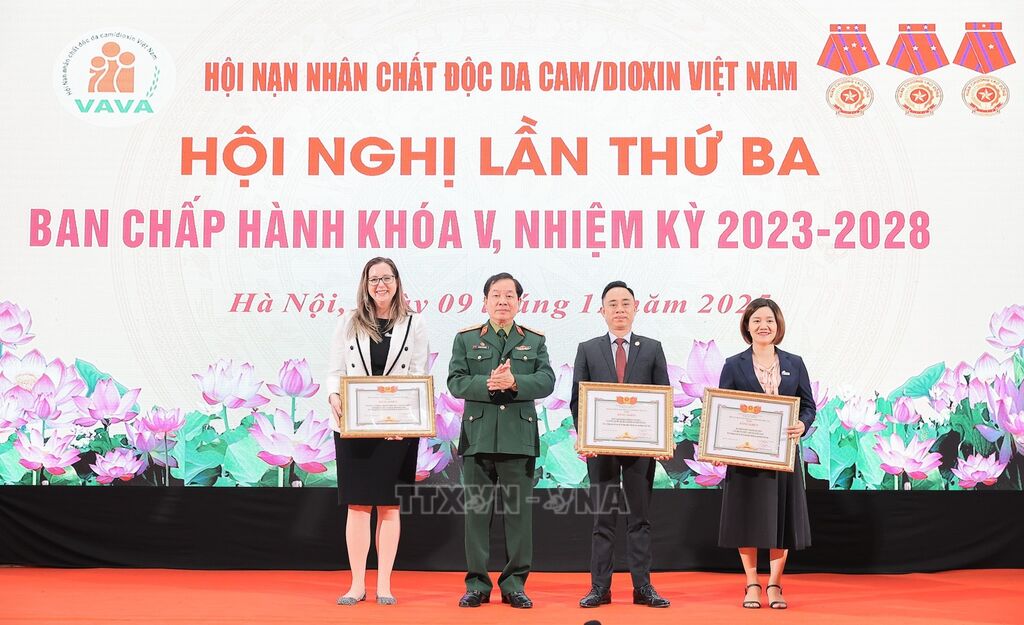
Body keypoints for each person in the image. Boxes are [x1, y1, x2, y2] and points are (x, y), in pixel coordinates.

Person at [325, 257, 429, 606]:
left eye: (387, 278)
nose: (380, 285)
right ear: (365, 284)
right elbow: (335, 370)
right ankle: (357, 585)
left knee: (388, 505)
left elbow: (418, 375)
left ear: (397, 282)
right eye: (374, 279)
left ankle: (384, 584)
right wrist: (333, 395)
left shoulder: (414, 323)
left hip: (396, 428)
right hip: (354, 425)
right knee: (357, 505)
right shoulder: (348, 321)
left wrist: (407, 422)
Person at [447, 272, 555, 609]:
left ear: (519, 302)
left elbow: (547, 380)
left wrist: (515, 382)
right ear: (485, 301)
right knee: (477, 515)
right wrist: (488, 384)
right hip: (478, 437)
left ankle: (514, 585)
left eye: (510, 295)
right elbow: (455, 381)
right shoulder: (466, 339)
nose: (503, 301)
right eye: (496, 295)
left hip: (518, 439)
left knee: (518, 517)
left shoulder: (534, 340)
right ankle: (477, 585)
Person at [570, 280, 673, 608]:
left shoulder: (652, 348)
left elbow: (663, 397)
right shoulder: (588, 349)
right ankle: (599, 588)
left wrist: (662, 440)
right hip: (600, 449)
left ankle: (643, 587)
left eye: (625, 303)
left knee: (639, 519)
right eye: (612, 304)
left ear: (635, 308)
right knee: (603, 519)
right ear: (602, 311)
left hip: (640, 449)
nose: (619, 310)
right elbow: (578, 399)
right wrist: (585, 437)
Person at [716, 298, 815, 610]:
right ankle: (751, 583)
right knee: (746, 520)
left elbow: (808, 405)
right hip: (745, 456)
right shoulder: (733, 364)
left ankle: (774, 584)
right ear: (747, 326)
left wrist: (802, 424)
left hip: (783, 455)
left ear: (778, 325)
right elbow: (722, 408)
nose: (763, 326)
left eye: (769, 320)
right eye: (756, 320)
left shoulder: (795, 363)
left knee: (781, 520)